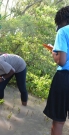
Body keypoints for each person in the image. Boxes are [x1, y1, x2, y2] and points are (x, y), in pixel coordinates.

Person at [43, 6, 69, 135]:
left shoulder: (64, 31)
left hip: (65, 78)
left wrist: (54, 52)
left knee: (58, 121)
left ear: (63, 20)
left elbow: (61, 61)